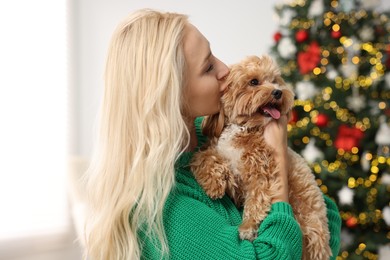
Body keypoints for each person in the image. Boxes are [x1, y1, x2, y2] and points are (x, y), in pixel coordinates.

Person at [84, 9, 341, 260]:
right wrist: (279, 166)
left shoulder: (216, 135)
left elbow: (328, 220)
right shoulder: (165, 207)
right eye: (208, 67)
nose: (225, 70)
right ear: (171, 94)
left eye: (214, 55)